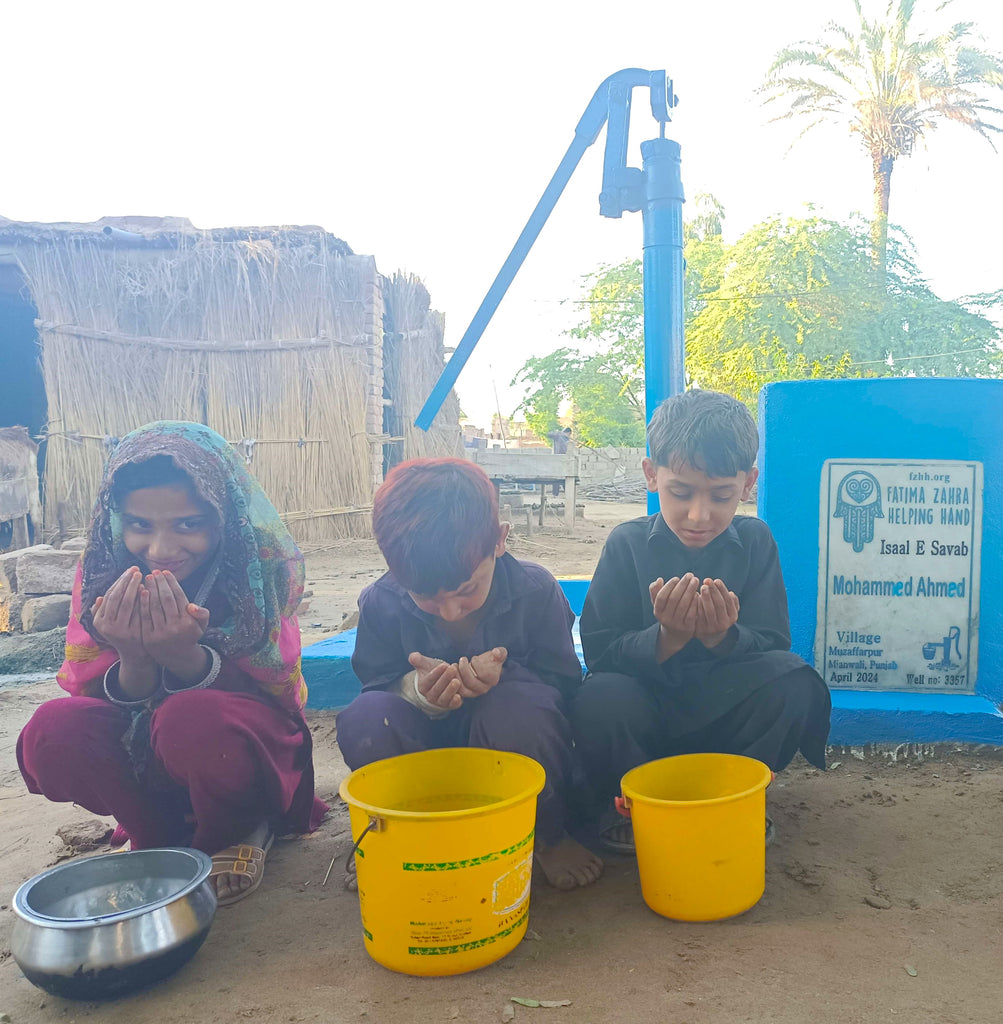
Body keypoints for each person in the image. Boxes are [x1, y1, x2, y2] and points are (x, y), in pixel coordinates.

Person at [17, 421, 327, 905]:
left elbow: (277, 693)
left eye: (188, 524)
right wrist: (135, 657)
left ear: (222, 516)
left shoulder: (256, 568)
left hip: (238, 753)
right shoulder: (102, 571)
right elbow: (91, 693)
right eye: (140, 525)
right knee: (54, 728)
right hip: (146, 750)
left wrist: (187, 659)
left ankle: (238, 829)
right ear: (117, 518)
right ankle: (154, 835)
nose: (160, 551)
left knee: (190, 717)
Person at [572, 390, 831, 852]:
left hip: (724, 712)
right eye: (681, 492)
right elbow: (599, 652)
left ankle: (734, 794)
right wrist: (666, 637)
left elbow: (773, 643)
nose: (699, 515)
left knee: (794, 681)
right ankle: (632, 803)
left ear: (748, 484)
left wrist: (722, 637)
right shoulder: (626, 544)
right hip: (645, 712)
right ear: (651, 475)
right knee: (599, 696)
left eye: (721, 495)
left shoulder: (755, 541)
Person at [336, 457, 602, 890]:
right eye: (426, 597)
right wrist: (416, 692)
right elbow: (375, 684)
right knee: (366, 718)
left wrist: (506, 678)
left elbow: (565, 687)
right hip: (427, 752)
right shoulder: (380, 602)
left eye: (466, 591)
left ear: (500, 541)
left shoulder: (535, 590)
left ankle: (547, 836)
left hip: (513, 752)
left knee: (518, 707)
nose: (450, 611)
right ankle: (410, 840)